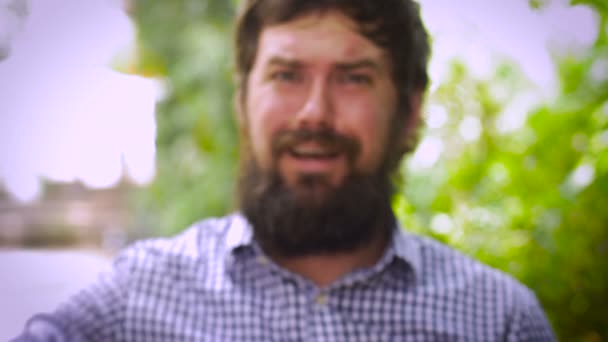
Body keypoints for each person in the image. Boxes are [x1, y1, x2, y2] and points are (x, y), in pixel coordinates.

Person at [15, 0, 556, 340]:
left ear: (410, 111)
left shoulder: (498, 319)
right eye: (286, 75)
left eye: (354, 78)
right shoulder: (135, 299)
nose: (314, 112)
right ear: (242, 102)